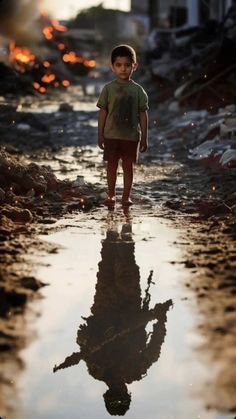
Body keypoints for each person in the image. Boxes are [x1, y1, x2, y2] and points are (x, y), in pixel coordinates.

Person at [53, 213, 173, 415]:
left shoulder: (96, 369)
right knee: (125, 253)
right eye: (121, 393)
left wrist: (87, 340)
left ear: (108, 393)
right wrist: (160, 318)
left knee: (108, 251)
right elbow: (155, 346)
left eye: (114, 393)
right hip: (129, 304)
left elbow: (81, 337)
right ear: (126, 392)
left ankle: (112, 214)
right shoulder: (136, 369)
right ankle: (126, 214)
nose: (118, 388)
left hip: (104, 302)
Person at [97, 44, 149, 207]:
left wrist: (145, 138)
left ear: (134, 66)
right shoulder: (108, 89)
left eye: (127, 65)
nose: (123, 69)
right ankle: (111, 194)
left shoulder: (138, 91)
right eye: (119, 65)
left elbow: (143, 114)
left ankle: (126, 197)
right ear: (112, 67)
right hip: (111, 135)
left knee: (128, 167)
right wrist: (100, 134)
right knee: (111, 166)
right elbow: (103, 112)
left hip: (131, 136)